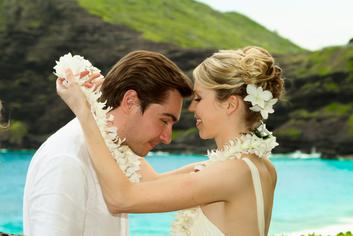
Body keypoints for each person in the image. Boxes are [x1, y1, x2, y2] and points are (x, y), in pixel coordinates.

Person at [57, 46, 284, 235]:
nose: (193, 107)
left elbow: (122, 198)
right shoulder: (255, 167)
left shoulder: (233, 172)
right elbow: (147, 182)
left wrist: (84, 111)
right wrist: (108, 105)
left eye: (198, 98)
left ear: (230, 104)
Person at [23, 50, 193, 235]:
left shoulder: (117, 146)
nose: (167, 138)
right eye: (164, 121)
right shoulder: (66, 158)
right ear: (130, 101)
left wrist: (223, 166)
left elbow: (157, 184)